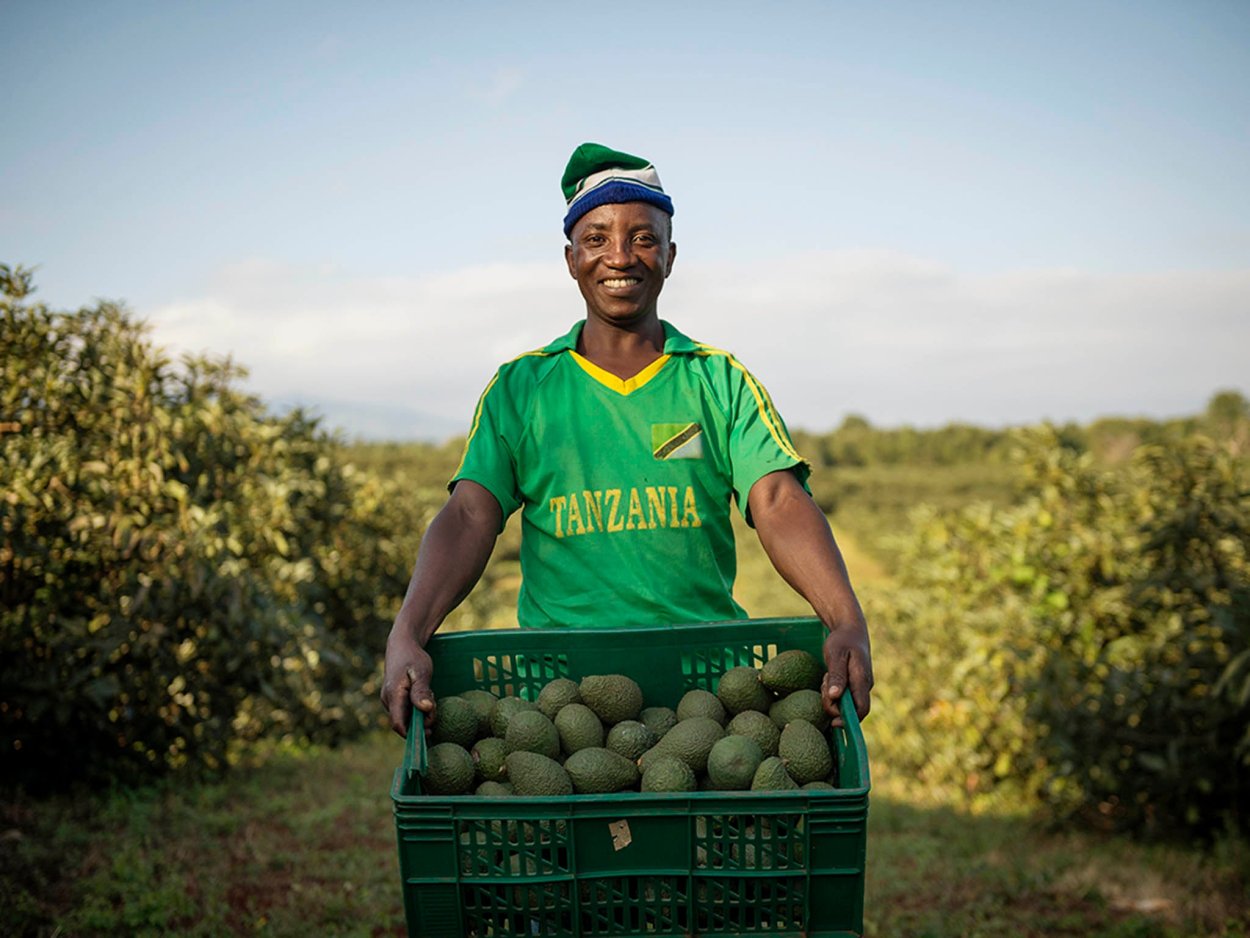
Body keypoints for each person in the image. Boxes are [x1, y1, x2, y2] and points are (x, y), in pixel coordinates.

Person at [381, 143, 872, 737]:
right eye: (597, 239)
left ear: (670, 254)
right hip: (560, 699)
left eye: (643, 238)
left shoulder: (717, 380)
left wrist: (844, 618)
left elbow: (777, 501)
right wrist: (407, 633)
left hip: (708, 693)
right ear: (569, 258)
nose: (621, 256)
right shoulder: (524, 388)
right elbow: (468, 515)